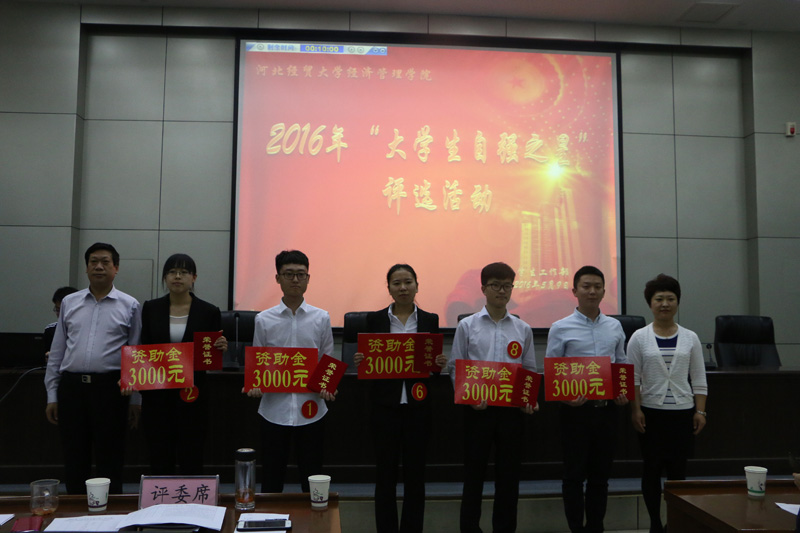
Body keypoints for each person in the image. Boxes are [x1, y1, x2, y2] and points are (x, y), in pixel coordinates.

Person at [352, 264, 447, 533]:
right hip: (385, 408)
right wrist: (361, 360)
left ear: (417, 285)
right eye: (396, 283)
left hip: (419, 408)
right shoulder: (375, 320)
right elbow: (370, 365)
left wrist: (438, 364)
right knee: (385, 475)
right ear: (389, 288)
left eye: (408, 282)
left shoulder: (429, 320)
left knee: (416, 476)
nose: (403, 288)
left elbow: (431, 367)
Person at [44, 242, 142, 494]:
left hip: (110, 389)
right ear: (86, 268)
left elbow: (135, 353)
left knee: (111, 455)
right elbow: (57, 351)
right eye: (93, 262)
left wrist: (135, 399)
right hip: (72, 388)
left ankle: (112, 510)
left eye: (105, 262)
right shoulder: (69, 302)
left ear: (116, 268)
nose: (99, 267)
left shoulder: (130, 305)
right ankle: (75, 510)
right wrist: (52, 393)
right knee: (74, 455)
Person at [448, 262, 537, 533]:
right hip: (478, 410)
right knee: (473, 475)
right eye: (495, 285)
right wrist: (468, 397)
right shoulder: (467, 325)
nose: (502, 291)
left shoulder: (523, 328)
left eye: (507, 285)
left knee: (509, 477)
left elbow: (529, 370)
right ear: (483, 289)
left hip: (511, 413)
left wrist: (529, 399)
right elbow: (455, 367)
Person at [545, 265, 628, 533]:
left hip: (608, 412)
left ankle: (595, 527)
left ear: (604, 292)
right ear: (575, 291)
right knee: (573, 476)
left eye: (597, 287)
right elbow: (552, 372)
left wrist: (623, 392)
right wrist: (566, 398)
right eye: (586, 286)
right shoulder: (560, 328)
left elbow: (621, 363)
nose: (592, 291)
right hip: (575, 413)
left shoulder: (615, 326)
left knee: (600, 477)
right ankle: (576, 528)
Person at [245, 250, 336, 493]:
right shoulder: (263, 319)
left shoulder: (321, 317)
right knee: (272, 477)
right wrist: (254, 384)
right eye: (288, 274)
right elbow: (258, 362)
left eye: (300, 274)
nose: (295, 279)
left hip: (312, 408)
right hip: (274, 409)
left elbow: (327, 359)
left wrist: (328, 386)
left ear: (308, 278)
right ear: (278, 278)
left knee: (313, 476)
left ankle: (316, 517)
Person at [628, 274, 707, 533]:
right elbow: (633, 378)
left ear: (678, 302)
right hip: (651, 414)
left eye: (670, 299)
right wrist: (635, 409)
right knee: (651, 470)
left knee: (678, 473)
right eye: (659, 299)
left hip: (682, 414)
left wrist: (700, 411)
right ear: (650, 303)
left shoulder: (690, 337)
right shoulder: (639, 337)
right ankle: (654, 524)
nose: (665, 304)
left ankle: (675, 522)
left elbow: (699, 378)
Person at [139, 253, 228, 475]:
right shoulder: (151, 308)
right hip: (157, 394)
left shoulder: (208, 311)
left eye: (184, 272)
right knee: (160, 453)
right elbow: (144, 349)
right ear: (165, 277)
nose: (177, 277)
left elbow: (209, 356)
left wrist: (220, 347)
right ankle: (160, 496)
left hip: (193, 393)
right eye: (172, 272)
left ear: (193, 278)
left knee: (192, 452)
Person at [44, 286, 78, 360]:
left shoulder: (87, 329)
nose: (60, 314)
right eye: (58, 309)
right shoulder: (51, 330)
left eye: (64, 309)